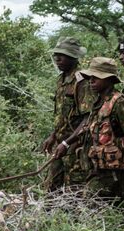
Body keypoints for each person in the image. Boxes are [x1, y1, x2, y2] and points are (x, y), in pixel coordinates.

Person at [55, 57, 124, 202]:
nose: (91, 81)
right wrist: (66, 144)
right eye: (90, 77)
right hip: (98, 171)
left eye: (96, 78)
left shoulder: (119, 103)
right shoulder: (98, 103)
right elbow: (86, 128)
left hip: (116, 174)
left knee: (91, 209)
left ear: (109, 79)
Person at [41, 37, 94, 189]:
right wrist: (53, 136)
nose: (57, 58)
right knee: (51, 187)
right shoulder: (61, 79)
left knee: (75, 191)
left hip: (76, 145)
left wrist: (67, 142)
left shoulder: (82, 81)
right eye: (55, 54)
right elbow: (61, 114)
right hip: (61, 143)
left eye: (61, 55)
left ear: (73, 57)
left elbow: (88, 118)